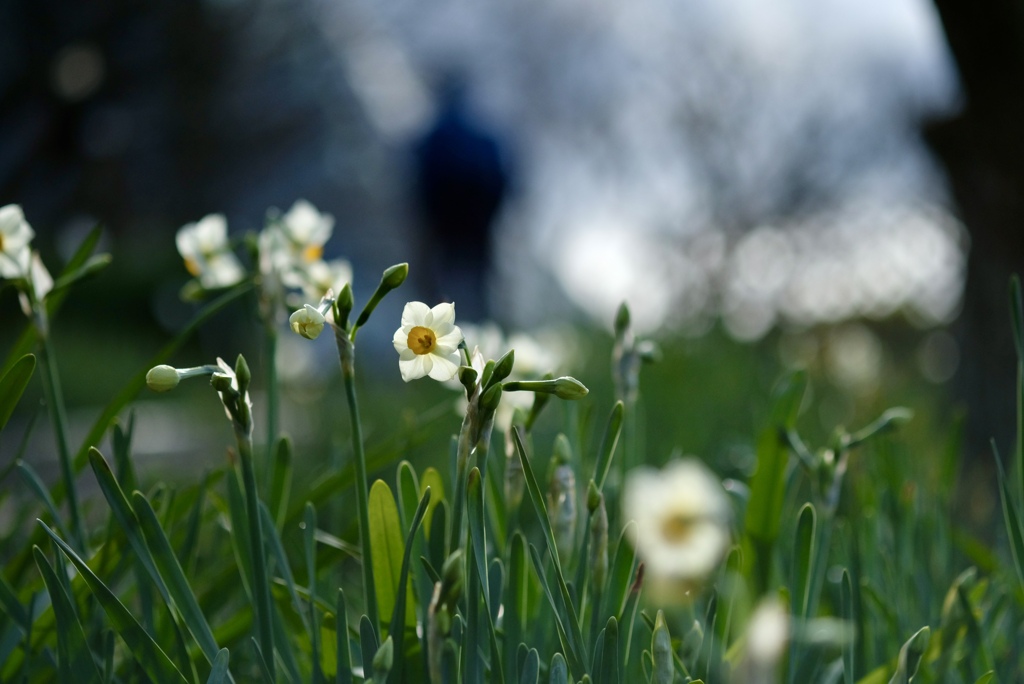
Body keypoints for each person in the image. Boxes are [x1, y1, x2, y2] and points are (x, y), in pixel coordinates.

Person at [413, 75, 510, 322]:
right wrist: (490, 217)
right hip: (478, 228)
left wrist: (427, 221)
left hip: (444, 229)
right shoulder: (484, 138)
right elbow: (502, 179)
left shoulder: (433, 137)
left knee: (442, 294)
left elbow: (419, 183)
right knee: (478, 291)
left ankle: (453, 351)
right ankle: (484, 346)